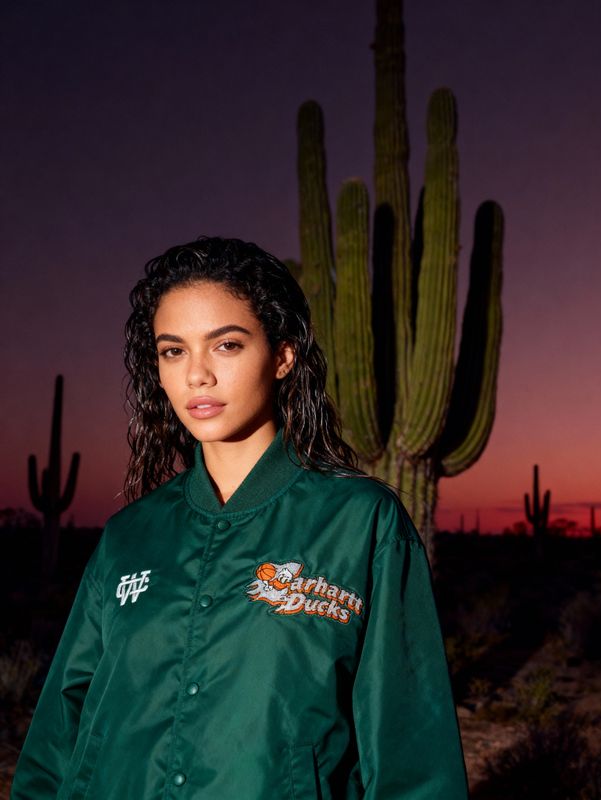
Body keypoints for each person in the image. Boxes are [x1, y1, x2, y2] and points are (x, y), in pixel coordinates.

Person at [11, 236, 468, 798]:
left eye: (225, 345)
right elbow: (61, 727)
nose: (196, 375)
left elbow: (411, 756)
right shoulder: (129, 536)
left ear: (282, 356)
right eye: (173, 351)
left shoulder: (360, 524)